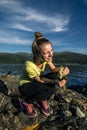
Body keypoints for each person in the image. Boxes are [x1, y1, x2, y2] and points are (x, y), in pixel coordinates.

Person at [19, 32, 69, 118]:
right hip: (26, 86)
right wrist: (55, 82)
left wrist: (62, 69)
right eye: (46, 53)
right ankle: (25, 102)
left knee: (56, 76)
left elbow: (53, 69)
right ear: (37, 54)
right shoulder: (29, 66)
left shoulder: (46, 59)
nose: (51, 54)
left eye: (51, 50)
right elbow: (38, 80)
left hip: (36, 82)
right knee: (51, 89)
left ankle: (40, 98)